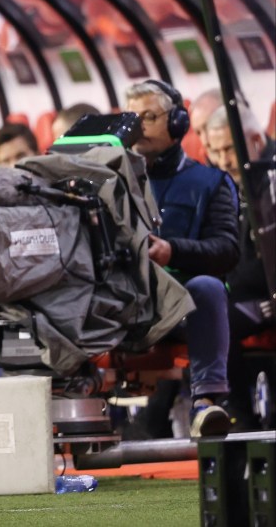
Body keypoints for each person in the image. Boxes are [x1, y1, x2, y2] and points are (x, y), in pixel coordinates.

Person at [125, 79, 239, 437]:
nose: (139, 126)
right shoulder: (104, 181)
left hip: (178, 303)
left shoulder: (210, 182)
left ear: (177, 122)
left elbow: (227, 251)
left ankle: (206, 403)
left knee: (208, 286)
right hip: (120, 299)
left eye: (149, 116)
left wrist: (172, 250)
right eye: (132, 118)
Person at [204, 104, 275, 426]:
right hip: (244, 289)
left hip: (268, 294)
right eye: (216, 151)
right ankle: (228, 416)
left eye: (230, 148)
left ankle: (240, 421)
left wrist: (224, 282)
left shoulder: (269, 178)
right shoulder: (226, 182)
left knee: (218, 320)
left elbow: (266, 266)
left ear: (256, 140)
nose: (223, 159)